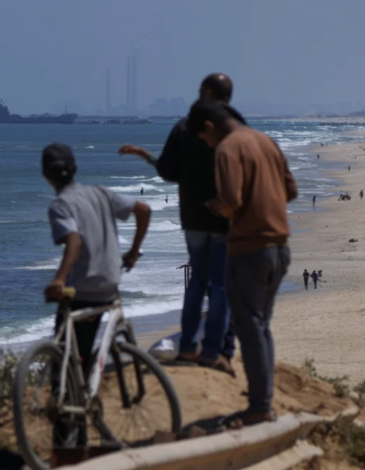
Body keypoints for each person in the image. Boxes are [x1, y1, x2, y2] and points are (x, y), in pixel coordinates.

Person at [117, 73, 243, 375]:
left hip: (194, 219)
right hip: (225, 219)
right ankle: (213, 351)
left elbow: (168, 172)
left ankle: (187, 346)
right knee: (220, 286)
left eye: (201, 90)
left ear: (208, 92)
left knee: (198, 282)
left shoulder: (185, 128)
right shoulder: (235, 128)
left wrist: (147, 156)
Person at [190, 99, 298, 426]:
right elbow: (290, 190)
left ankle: (261, 406)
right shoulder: (266, 141)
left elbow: (231, 200)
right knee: (260, 324)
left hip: (249, 248)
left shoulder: (226, 149)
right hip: (279, 246)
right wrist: (263, 201)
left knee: (248, 326)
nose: (208, 145)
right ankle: (262, 398)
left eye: (204, 139)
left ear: (208, 128)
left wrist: (215, 206)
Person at [43, 143, 151, 445]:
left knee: (62, 369)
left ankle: (67, 443)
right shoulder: (100, 193)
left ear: (45, 175)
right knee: (87, 356)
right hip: (110, 285)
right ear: (75, 168)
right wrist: (132, 252)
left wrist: (60, 279)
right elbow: (143, 209)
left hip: (81, 292)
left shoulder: (60, 204)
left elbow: (74, 241)